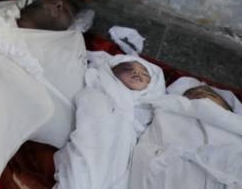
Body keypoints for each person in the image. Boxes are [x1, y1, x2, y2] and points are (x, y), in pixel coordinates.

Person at [53, 53, 166, 189]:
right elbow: (90, 109)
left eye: (145, 74)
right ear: (113, 72)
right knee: (89, 160)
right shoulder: (100, 90)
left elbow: (141, 132)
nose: (137, 74)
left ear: (151, 86)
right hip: (99, 129)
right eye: (129, 68)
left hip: (123, 145)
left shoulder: (146, 109)